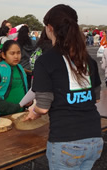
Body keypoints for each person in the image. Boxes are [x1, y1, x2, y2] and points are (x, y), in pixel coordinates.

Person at [24, 4, 103, 170]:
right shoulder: (87, 59)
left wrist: (34, 111)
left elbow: (43, 107)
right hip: (94, 138)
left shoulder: (46, 61)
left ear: (50, 28)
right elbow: (95, 97)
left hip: (67, 142)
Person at [0, 40, 31, 116]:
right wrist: (10, 107)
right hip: (2, 114)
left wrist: (29, 101)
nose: (16, 56)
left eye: (18, 53)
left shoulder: (20, 68)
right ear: (4, 55)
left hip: (20, 112)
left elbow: (24, 88)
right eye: (12, 53)